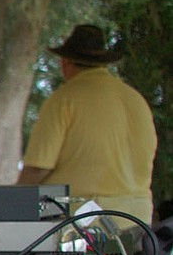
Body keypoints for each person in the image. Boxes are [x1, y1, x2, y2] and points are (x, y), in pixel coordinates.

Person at [18, 24, 157, 226]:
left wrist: (13, 199)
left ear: (66, 62)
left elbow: (39, 168)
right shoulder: (136, 100)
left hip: (85, 221)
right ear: (103, 63)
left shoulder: (64, 99)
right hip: (138, 219)